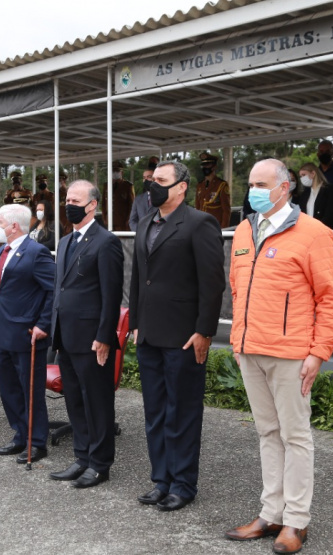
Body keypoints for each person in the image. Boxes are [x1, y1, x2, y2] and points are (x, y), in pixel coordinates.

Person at [225, 158, 333, 555]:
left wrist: (319, 351)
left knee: (295, 437)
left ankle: (296, 521)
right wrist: (238, 341)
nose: (253, 190)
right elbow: (238, 289)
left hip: (291, 353)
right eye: (251, 183)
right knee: (267, 434)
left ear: (285, 186)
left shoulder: (313, 233)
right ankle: (270, 513)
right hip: (250, 349)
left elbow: (331, 298)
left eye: (261, 183)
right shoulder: (245, 229)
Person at [129, 160, 225, 512]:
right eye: (152, 180)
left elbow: (213, 284)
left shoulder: (200, 223)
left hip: (184, 337)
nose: (153, 186)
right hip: (149, 335)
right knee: (154, 411)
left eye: (162, 181)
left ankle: (183, 484)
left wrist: (204, 331)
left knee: (181, 412)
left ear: (181, 187)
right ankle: (161, 480)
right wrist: (136, 322)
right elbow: (139, 278)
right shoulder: (143, 223)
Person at [49, 180, 123, 488]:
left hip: (92, 338)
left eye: (75, 200)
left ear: (92, 205)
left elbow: (111, 294)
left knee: (97, 402)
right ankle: (82, 457)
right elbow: (60, 289)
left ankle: (100, 463)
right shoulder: (66, 241)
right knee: (75, 402)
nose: (69, 204)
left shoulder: (106, 242)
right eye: (67, 199)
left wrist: (104, 336)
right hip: (66, 336)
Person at [0, 203, 55, 463]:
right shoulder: (3, 250)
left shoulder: (37, 252)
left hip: (28, 334)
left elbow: (52, 290)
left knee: (30, 390)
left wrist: (43, 325)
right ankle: (19, 435)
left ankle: (37, 442)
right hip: (4, 334)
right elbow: (3, 294)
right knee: (9, 389)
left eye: (0, 222)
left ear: (14, 226)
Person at [195, 152, 231, 227]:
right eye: (204, 165)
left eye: (208, 165)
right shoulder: (200, 186)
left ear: (214, 167)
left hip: (215, 226)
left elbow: (226, 210)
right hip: (201, 226)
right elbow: (198, 207)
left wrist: (223, 229)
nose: (205, 168)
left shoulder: (221, 185)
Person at [298, 163, 333, 229]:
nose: (302, 178)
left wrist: (318, 228)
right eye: (300, 176)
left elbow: (330, 213)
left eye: (304, 175)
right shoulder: (305, 193)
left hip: (323, 230)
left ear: (313, 173)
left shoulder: (329, 190)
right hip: (307, 231)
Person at [129, 156, 158, 231]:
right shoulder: (138, 199)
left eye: (149, 177)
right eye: (144, 177)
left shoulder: (164, 197)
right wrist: (140, 232)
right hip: (141, 237)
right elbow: (132, 221)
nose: (146, 180)